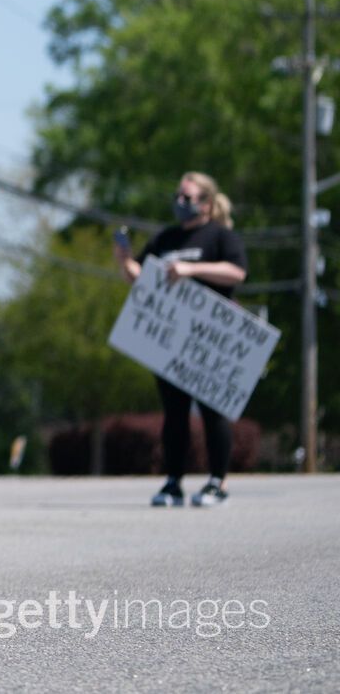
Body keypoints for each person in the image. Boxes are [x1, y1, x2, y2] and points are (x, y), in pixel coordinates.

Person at [114, 172, 248, 507]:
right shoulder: (166, 238)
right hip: (172, 340)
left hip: (209, 340)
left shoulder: (220, 236)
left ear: (206, 202)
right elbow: (141, 277)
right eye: (178, 196)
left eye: (187, 197)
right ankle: (173, 482)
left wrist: (191, 270)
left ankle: (218, 482)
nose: (180, 202)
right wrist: (124, 260)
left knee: (212, 412)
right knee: (174, 413)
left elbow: (237, 272)